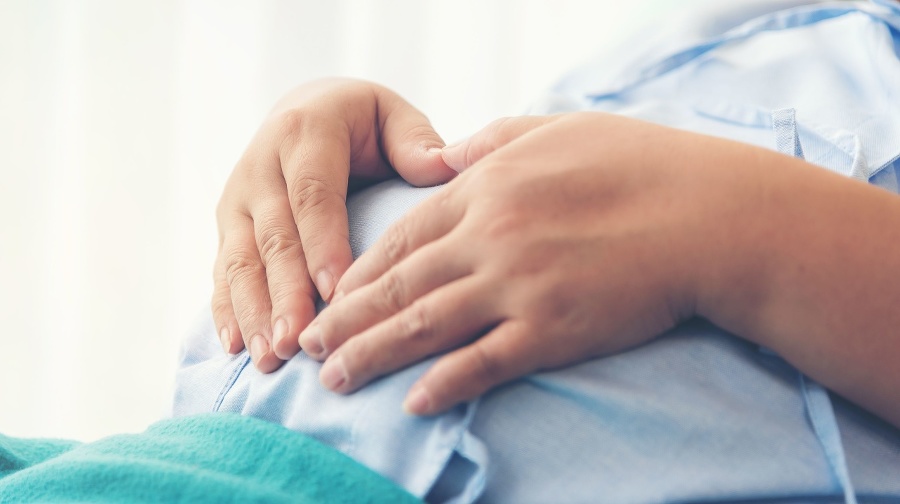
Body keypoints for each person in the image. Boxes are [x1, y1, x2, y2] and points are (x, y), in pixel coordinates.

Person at [177, 0, 900, 502]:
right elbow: (567, 221)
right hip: (180, 450)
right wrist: (390, 161)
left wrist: (729, 220)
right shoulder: (684, 30)